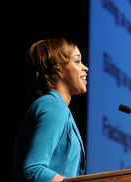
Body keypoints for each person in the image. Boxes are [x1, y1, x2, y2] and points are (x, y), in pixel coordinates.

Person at [12, 37, 88, 182]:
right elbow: (33, 170)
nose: (85, 67)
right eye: (77, 61)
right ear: (57, 68)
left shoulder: (56, 107)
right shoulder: (53, 107)